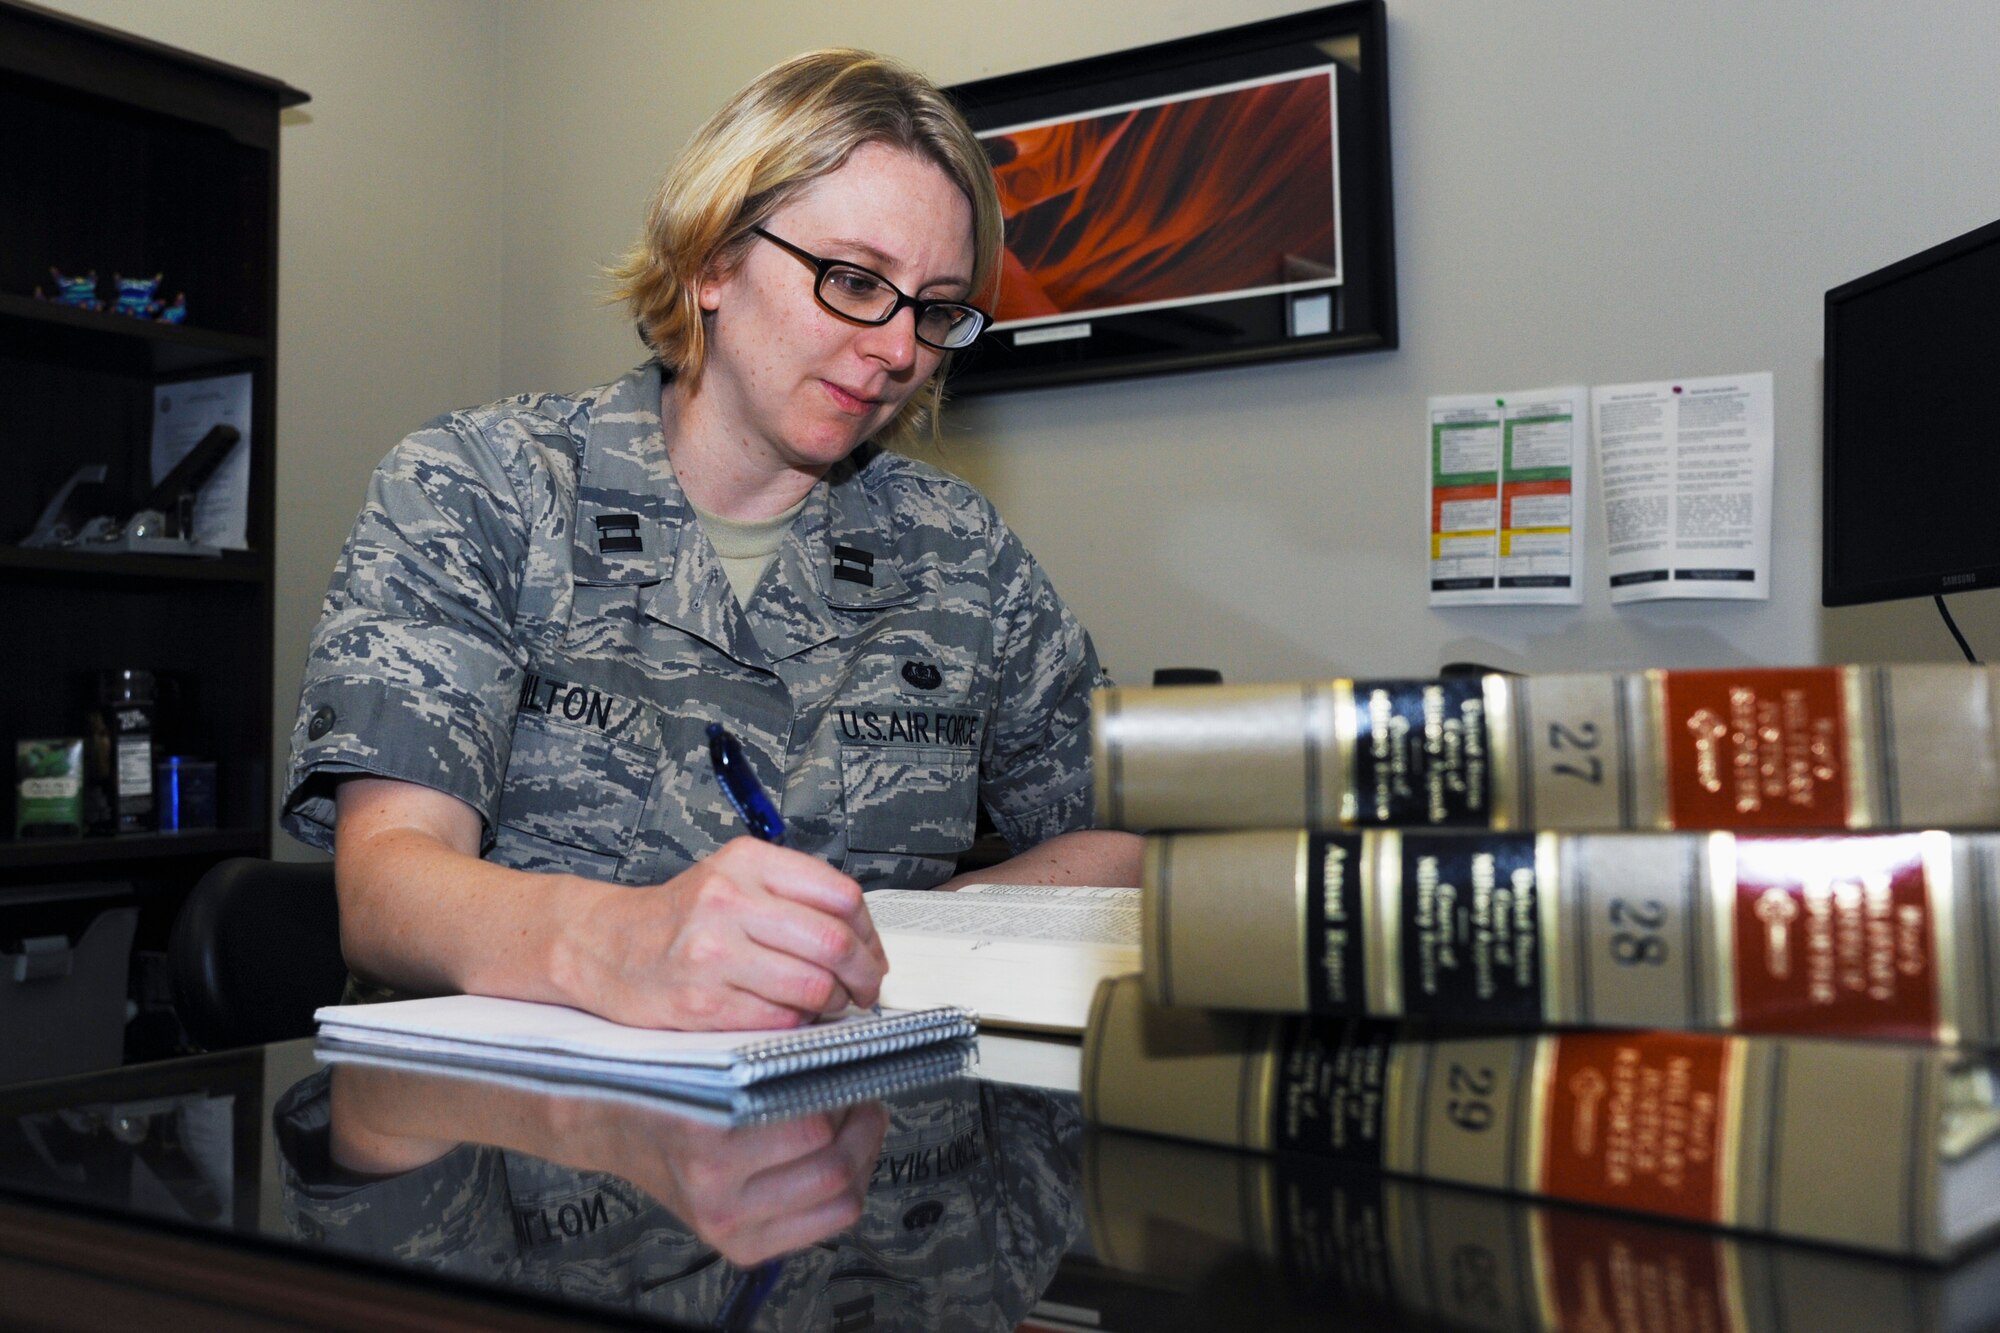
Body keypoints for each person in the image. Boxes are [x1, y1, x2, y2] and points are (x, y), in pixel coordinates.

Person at [282, 48, 1141, 1032]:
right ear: (710, 262)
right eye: (855, 280)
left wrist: (901, 931)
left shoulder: (957, 552)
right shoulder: (484, 487)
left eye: (935, 308)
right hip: (520, 1148)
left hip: (859, 1130)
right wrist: (622, 941)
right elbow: (389, 886)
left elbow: (1122, 834)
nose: (900, 349)